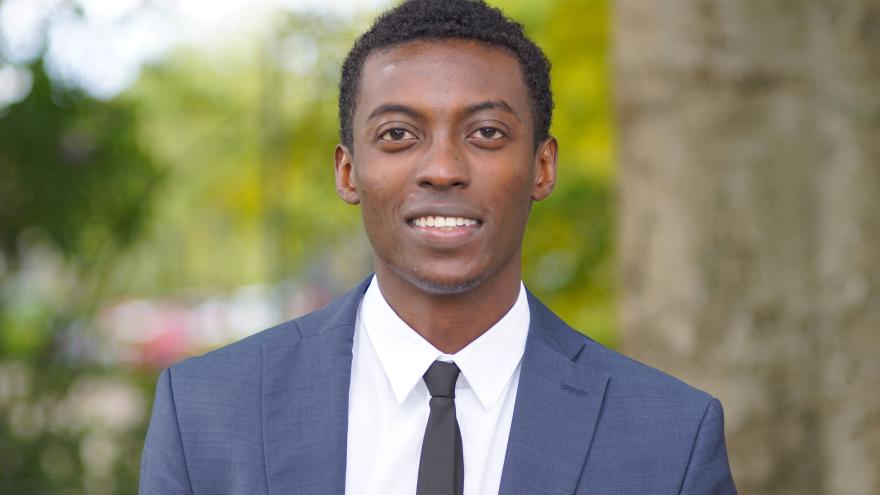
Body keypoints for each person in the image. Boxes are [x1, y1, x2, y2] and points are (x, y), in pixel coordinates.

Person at [139, 1, 737, 493]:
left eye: (486, 133)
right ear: (348, 173)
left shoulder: (671, 438)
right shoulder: (207, 412)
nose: (443, 169)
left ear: (542, 167)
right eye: (398, 134)